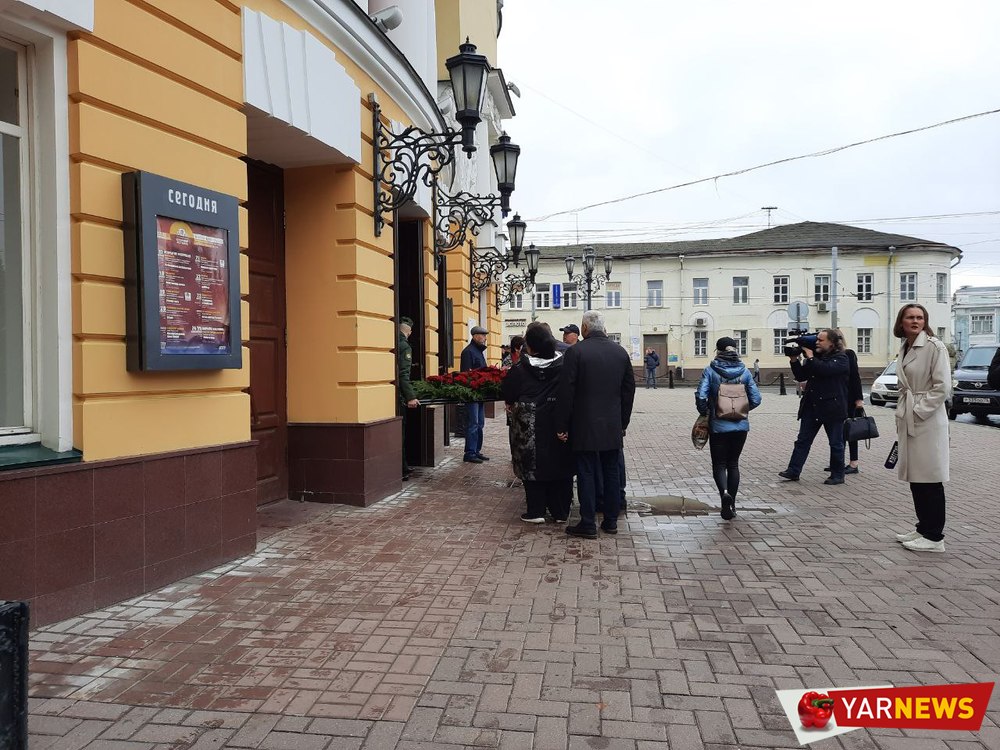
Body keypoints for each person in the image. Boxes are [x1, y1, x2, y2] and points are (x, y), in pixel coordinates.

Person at [555, 310, 636, 539]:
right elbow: (628, 390)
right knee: (611, 471)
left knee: (586, 472)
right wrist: (623, 421)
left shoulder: (576, 352)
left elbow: (566, 392)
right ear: (604, 327)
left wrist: (562, 425)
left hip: (583, 424)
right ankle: (610, 521)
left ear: (584, 328)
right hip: (612, 424)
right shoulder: (620, 352)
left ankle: (588, 522)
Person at [502, 322, 575, 524]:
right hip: (559, 423)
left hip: (529, 427)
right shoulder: (565, 365)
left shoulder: (520, 369)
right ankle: (561, 512)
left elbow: (508, 392)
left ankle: (535, 511)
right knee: (561, 464)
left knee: (532, 465)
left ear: (531, 346)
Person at [892, 304, 951, 553]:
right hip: (910, 415)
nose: (915, 321)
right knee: (916, 476)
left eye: (919, 317)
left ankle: (935, 536)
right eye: (910, 317)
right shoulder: (906, 346)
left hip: (926, 419)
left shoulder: (934, 347)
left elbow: (942, 386)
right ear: (902, 322)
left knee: (930, 477)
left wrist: (918, 411)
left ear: (925, 321)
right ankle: (923, 527)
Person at [696, 337, 762, 520]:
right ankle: (732, 504)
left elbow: (701, 395)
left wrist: (707, 412)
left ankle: (724, 493)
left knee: (719, 464)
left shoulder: (710, 371)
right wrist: (741, 411)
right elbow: (756, 399)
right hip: (741, 426)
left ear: (717, 351)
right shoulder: (745, 372)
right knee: (733, 464)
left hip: (718, 425)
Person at [778, 329, 850, 485]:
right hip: (812, 406)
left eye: (821, 340)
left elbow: (825, 370)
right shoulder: (816, 358)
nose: (817, 342)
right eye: (816, 339)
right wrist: (794, 360)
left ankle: (838, 475)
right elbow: (801, 376)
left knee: (836, 443)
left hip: (833, 407)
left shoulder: (841, 358)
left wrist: (810, 356)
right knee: (802, 440)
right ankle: (793, 471)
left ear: (832, 343)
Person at [826, 329, 864, 475]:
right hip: (835, 398)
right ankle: (837, 462)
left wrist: (859, 399)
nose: (838, 340)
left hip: (849, 398)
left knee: (851, 431)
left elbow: (855, 377)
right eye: (836, 338)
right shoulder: (828, 356)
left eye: (840, 337)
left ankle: (853, 464)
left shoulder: (849, 354)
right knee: (836, 433)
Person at [461, 325, 489, 464]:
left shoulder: (478, 351)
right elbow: (466, 375)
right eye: (482, 335)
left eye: (485, 335)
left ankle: (476, 451)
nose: (484, 338)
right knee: (473, 423)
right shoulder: (468, 352)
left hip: (480, 393)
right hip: (472, 393)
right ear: (475, 336)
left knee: (480, 423)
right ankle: (470, 453)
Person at [397, 317, 420, 481]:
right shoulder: (404, 346)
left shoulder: (392, 341)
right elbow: (403, 374)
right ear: (409, 331)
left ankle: (403, 466)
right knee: (401, 433)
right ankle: (402, 469)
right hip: (399, 396)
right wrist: (411, 396)